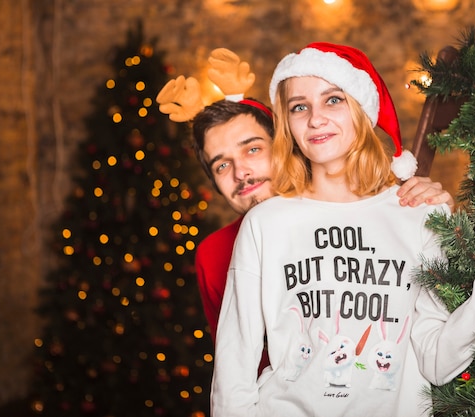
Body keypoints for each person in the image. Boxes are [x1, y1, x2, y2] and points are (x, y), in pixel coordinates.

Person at [210, 42, 475, 417]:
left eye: (333, 100)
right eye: (300, 107)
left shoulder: (418, 213)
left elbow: (439, 361)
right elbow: (235, 365)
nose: (315, 119)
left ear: (361, 108)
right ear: (288, 124)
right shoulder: (266, 223)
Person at [190, 98, 454, 343]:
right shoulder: (213, 255)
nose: (240, 172)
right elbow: (237, 361)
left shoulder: (367, 211)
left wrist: (445, 227)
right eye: (221, 166)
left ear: (284, 146)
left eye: (253, 149)